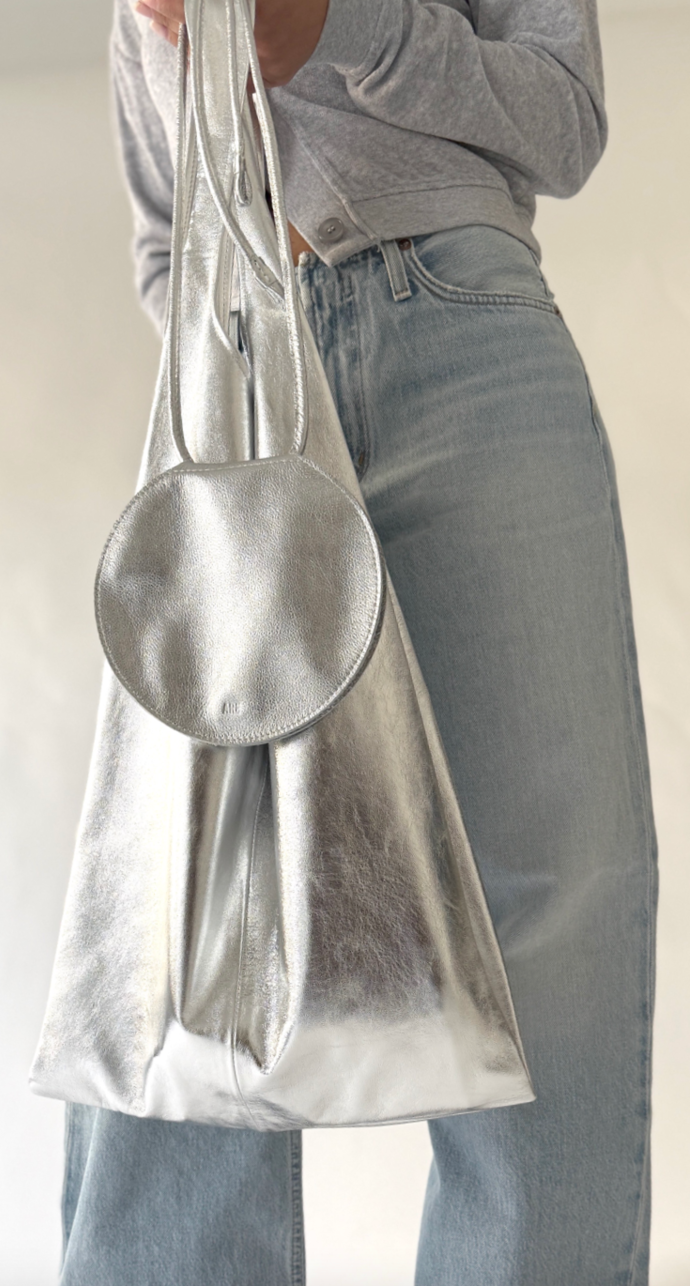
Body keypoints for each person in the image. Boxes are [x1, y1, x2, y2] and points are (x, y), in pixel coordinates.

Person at [58, 0, 658, 1282]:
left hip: (463, 335)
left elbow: (563, 117)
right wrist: (239, 358)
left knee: (549, 902)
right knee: (181, 921)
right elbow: (166, 235)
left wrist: (334, 32)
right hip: (233, 378)